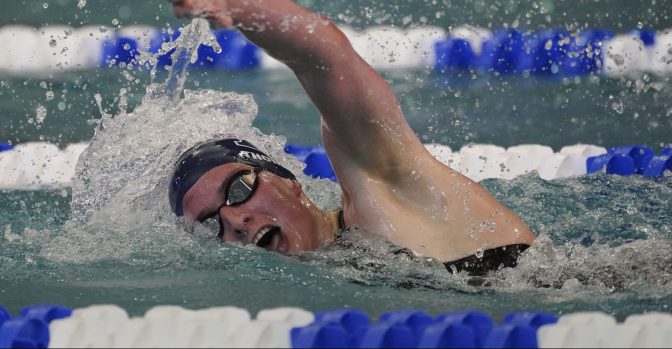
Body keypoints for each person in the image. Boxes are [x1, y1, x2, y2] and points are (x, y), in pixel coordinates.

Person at [168, 0, 535, 276]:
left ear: (289, 183)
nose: (233, 220)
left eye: (237, 189)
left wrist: (238, 6)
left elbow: (325, 59)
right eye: (209, 223)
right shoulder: (321, 280)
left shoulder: (384, 189)